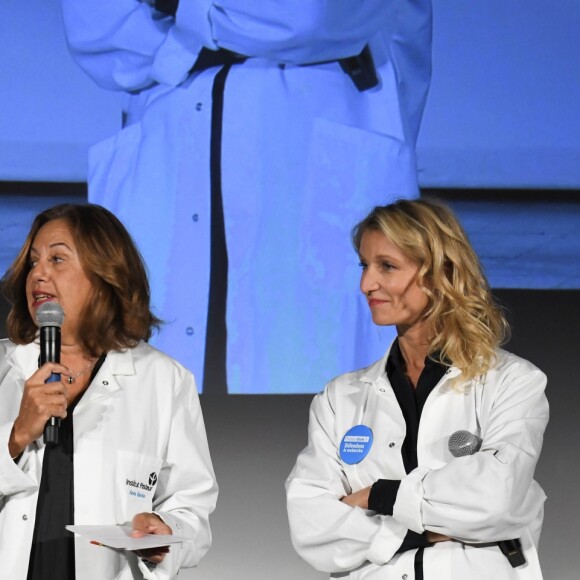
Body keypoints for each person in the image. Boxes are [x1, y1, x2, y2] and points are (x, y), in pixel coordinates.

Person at [58, 0, 432, 393]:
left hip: (308, 161)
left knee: (321, 403)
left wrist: (173, 14)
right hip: (168, 149)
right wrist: (220, 23)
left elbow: (309, 16)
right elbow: (96, 28)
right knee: (160, 412)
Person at [286, 198, 549, 579]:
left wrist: (380, 497)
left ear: (439, 271)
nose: (366, 284)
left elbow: (497, 496)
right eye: (364, 265)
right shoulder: (340, 398)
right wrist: (434, 528)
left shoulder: (512, 381)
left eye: (386, 267)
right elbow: (311, 522)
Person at [0, 204, 217, 579]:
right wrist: (16, 437)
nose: (38, 274)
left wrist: (164, 533)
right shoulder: (6, 367)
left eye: (57, 259)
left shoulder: (164, 380)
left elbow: (191, 509)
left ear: (104, 275)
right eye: (34, 262)